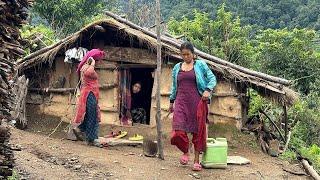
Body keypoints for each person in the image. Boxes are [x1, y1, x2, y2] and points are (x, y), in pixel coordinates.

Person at [169, 42, 217, 171]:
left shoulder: (200, 65)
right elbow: (174, 86)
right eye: (183, 54)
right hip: (180, 101)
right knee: (178, 131)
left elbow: (212, 79)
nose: (185, 57)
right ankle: (185, 150)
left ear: (193, 54)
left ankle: (196, 160)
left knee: (197, 131)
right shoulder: (177, 67)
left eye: (188, 54)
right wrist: (171, 101)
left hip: (197, 101)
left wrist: (208, 90)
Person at [73, 49, 105, 147]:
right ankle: (91, 138)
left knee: (91, 114)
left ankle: (82, 130)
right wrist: (92, 64)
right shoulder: (87, 67)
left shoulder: (85, 67)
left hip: (90, 94)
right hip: (89, 94)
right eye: (97, 60)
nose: (98, 62)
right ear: (93, 59)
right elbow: (88, 73)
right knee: (93, 115)